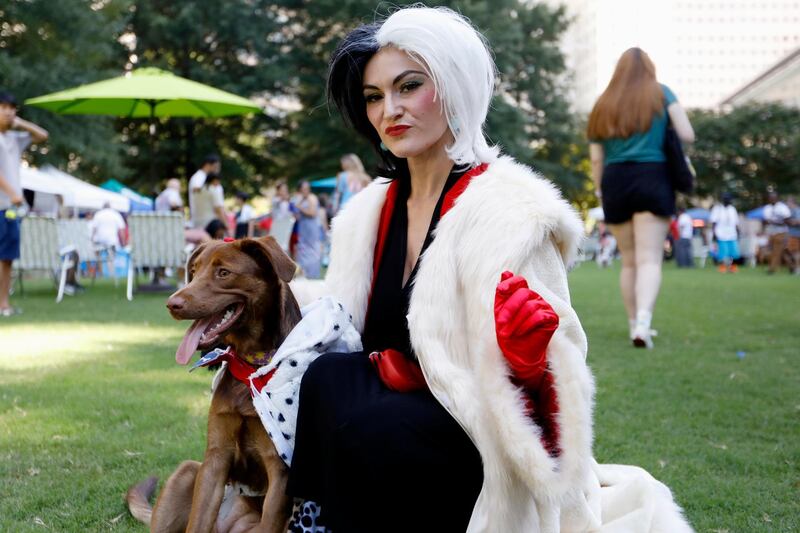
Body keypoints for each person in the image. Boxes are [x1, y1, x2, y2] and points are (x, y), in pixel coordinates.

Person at [284, 8, 693, 533]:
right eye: (374, 96)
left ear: (454, 85)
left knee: (373, 420)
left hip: (473, 437)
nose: (391, 109)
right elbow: (339, 319)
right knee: (328, 376)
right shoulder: (368, 212)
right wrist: (260, 293)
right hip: (384, 420)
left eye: (409, 86)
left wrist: (526, 359)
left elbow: (561, 367)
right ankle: (317, 518)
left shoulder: (510, 212)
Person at [587, 47, 695, 348]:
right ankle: (644, 323)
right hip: (653, 176)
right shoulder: (661, 93)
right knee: (650, 258)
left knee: (630, 262)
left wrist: (599, 190)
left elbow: (596, 158)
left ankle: (634, 323)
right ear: (650, 68)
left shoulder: (602, 103)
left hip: (615, 182)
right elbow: (687, 134)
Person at [0, 91, 49, 316]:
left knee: (7, 258)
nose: (8, 112)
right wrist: (12, 193)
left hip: (9, 210)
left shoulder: (13, 138)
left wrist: (19, 123)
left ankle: (4, 304)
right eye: (3, 107)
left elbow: (42, 136)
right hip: (6, 203)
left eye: (12, 108)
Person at [188, 154, 226, 233]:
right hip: (206, 223)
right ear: (208, 165)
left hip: (209, 222)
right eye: (216, 167)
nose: (217, 170)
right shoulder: (199, 177)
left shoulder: (204, 177)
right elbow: (197, 190)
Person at [293, 180, 322, 279]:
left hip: (311, 229)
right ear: (300, 189)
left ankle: (312, 274)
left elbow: (312, 213)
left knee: (313, 251)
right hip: (303, 228)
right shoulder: (301, 199)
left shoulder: (312, 198)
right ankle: (304, 274)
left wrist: (300, 208)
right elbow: (298, 216)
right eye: (303, 188)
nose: (306, 190)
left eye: (307, 188)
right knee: (303, 250)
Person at [709, 193, 740, 273]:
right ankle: (722, 267)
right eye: (725, 199)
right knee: (723, 252)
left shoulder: (732, 209)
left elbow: (736, 223)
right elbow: (713, 222)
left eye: (728, 199)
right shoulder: (717, 209)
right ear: (723, 200)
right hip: (721, 234)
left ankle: (732, 267)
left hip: (732, 234)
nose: (727, 200)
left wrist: (738, 232)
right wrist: (714, 233)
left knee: (733, 253)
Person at [763, 190, 791, 274]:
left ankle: (771, 269)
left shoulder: (782, 207)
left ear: (777, 198)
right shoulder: (767, 208)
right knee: (777, 251)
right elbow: (765, 221)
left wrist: (774, 222)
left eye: (773, 197)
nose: (772, 199)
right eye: (770, 198)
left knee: (776, 251)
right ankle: (792, 266)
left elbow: (787, 220)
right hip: (770, 232)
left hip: (781, 232)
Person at [787, 196, 800, 274]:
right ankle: (795, 268)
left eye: (788, 202)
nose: (787, 204)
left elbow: (798, 221)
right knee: (792, 252)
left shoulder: (797, 210)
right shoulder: (791, 211)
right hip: (793, 234)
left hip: (796, 235)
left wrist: (790, 221)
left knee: (796, 252)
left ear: (792, 202)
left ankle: (797, 269)